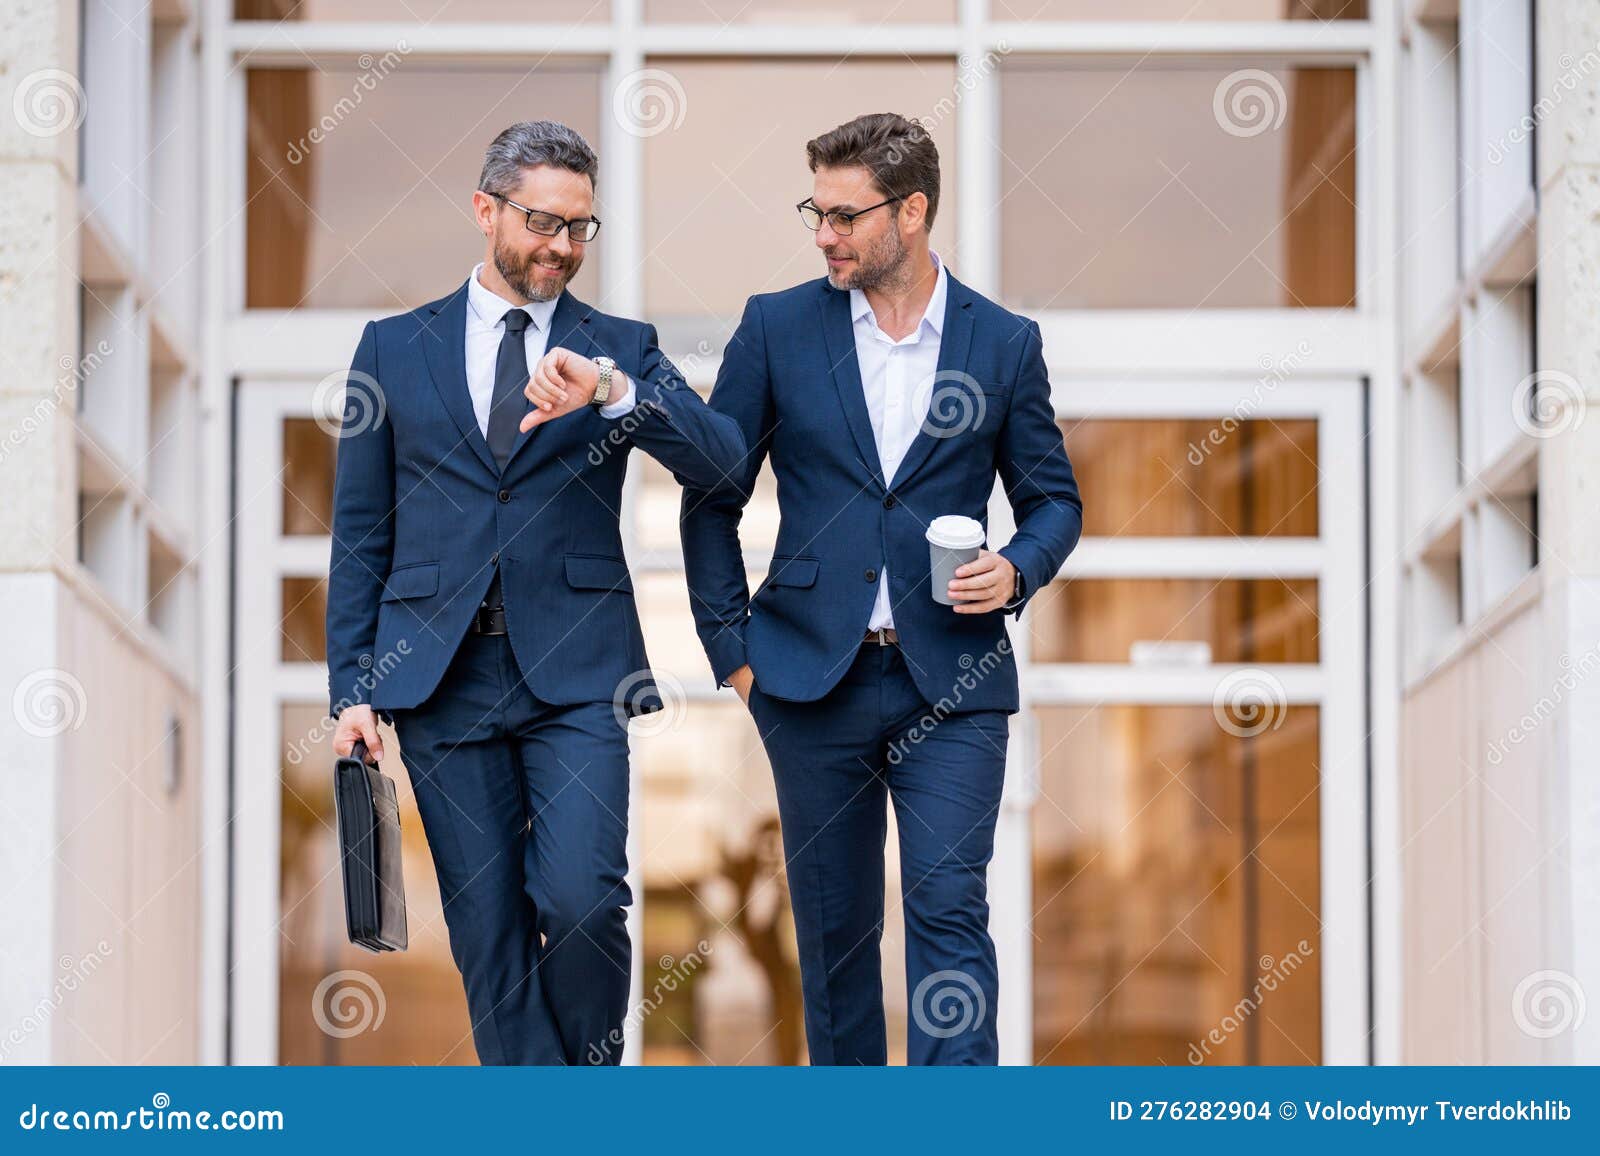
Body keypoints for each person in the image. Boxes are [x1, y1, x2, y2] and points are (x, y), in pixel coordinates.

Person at [327, 120, 745, 1065]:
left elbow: (722, 466)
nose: (560, 246)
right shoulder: (393, 348)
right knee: (489, 935)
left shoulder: (616, 346)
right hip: (440, 678)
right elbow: (360, 534)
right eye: (541, 222)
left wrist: (609, 389)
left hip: (577, 676)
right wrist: (352, 688)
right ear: (485, 210)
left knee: (584, 898)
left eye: (579, 228)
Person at [681, 112, 1082, 1065]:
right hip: (808, 681)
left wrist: (1017, 568)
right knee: (834, 934)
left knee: (948, 905)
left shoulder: (1003, 342)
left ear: (912, 211)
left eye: (846, 215)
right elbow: (713, 493)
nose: (824, 233)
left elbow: (1054, 500)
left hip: (953, 683)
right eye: (815, 212)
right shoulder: (776, 328)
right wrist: (734, 656)